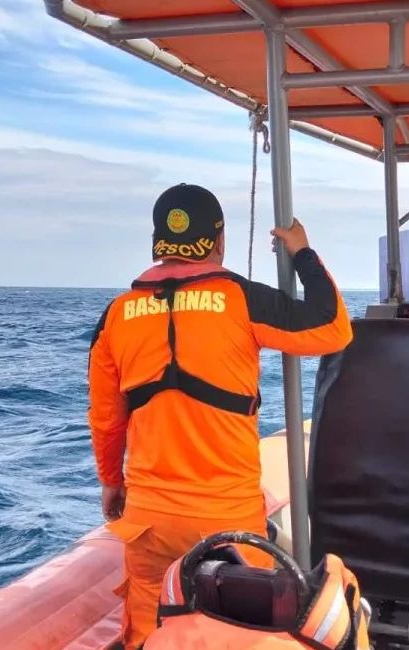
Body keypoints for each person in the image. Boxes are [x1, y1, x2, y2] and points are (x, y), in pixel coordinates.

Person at [87, 183, 354, 649]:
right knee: (238, 636)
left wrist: (112, 482)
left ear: (158, 241)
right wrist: (302, 254)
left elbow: (107, 419)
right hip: (226, 518)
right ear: (218, 241)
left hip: (150, 520)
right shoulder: (239, 299)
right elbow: (333, 329)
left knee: (148, 636)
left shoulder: (116, 316)